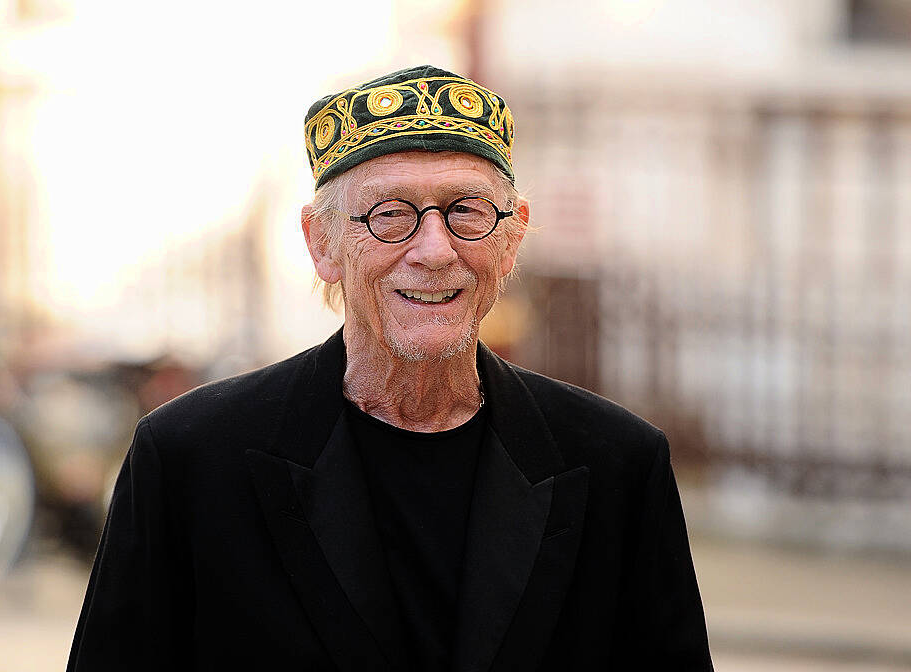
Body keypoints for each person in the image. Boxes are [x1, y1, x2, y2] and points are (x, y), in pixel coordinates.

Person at [67, 64, 714, 671]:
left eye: (465, 210)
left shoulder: (618, 465)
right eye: (390, 215)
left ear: (512, 236)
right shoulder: (190, 459)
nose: (434, 250)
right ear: (322, 243)